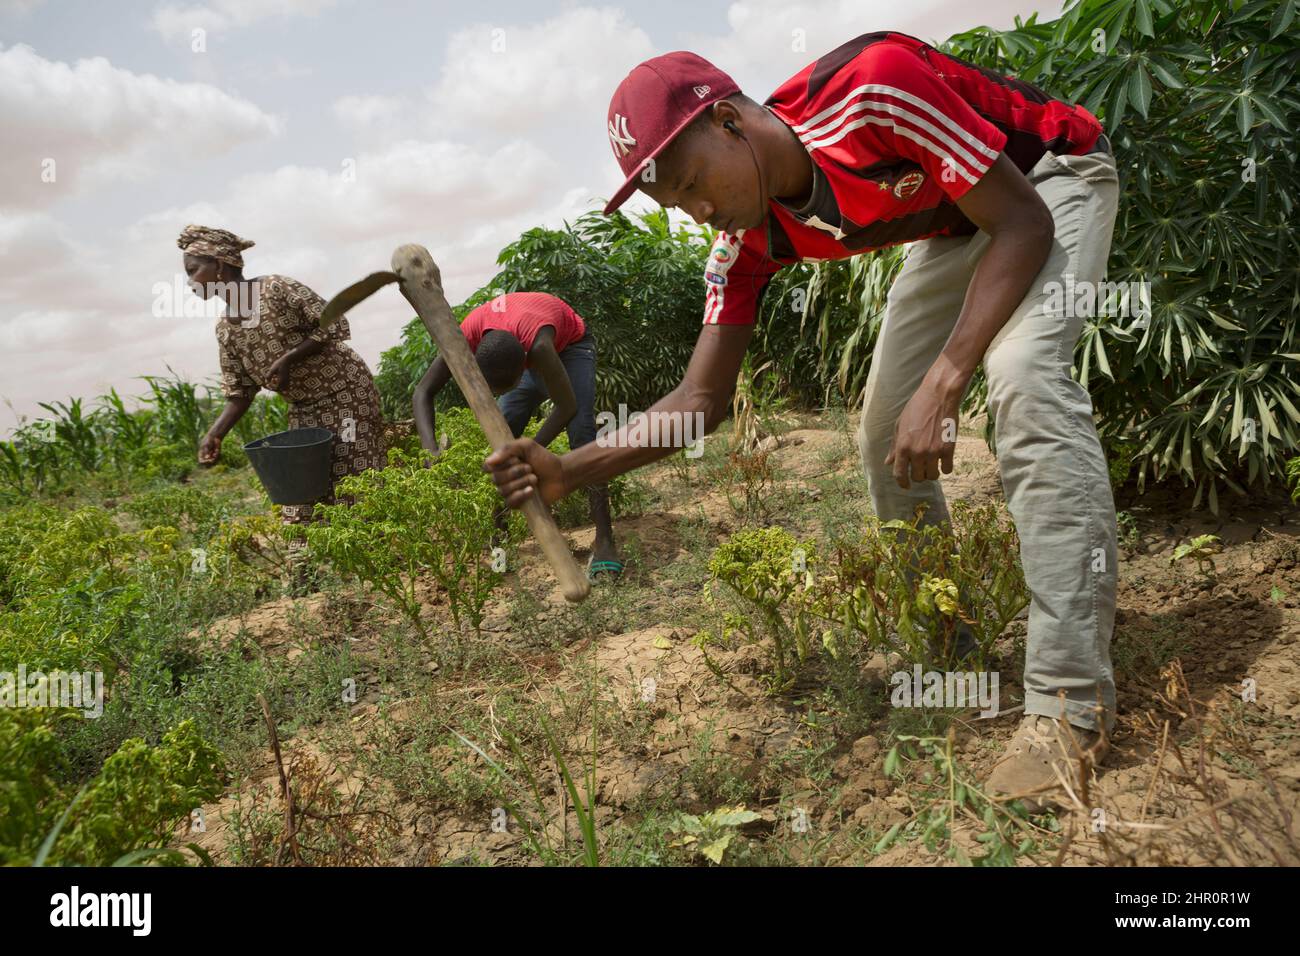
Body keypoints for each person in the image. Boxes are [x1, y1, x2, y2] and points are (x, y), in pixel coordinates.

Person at [483, 34, 1121, 810]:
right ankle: (951, 639)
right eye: (677, 204)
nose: (701, 211)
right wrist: (569, 471)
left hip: (1045, 183)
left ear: (727, 120)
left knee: (1021, 376)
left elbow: (1021, 223)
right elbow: (699, 403)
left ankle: (1068, 704)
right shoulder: (741, 243)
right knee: (884, 427)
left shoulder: (870, 90)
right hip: (961, 226)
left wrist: (948, 381)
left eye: (692, 182)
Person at [181, 224, 386, 525]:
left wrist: (289, 358)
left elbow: (332, 323)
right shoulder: (226, 329)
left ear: (220, 265)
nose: (189, 282)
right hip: (303, 407)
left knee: (353, 474)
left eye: (193, 271)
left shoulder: (276, 288)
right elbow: (240, 392)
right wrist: (215, 434)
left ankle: (373, 553)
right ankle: (304, 567)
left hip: (345, 392)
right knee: (301, 488)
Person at [412, 291, 621, 580]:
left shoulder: (539, 347)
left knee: (582, 434)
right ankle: (500, 548)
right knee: (500, 447)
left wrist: (530, 451)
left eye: (505, 388)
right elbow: (423, 392)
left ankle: (605, 542)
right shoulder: (467, 337)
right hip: (519, 347)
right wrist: (430, 450)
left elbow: (567, 406)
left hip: (569, 348)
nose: (500, 395)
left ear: (523, 367)